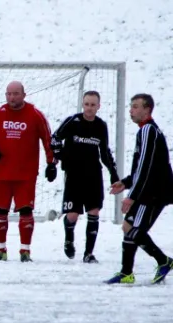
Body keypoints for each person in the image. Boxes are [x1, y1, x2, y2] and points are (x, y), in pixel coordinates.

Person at [0, 81, 56, 262]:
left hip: (26, 174)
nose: (12, 97)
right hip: (2, 173)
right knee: (0, 212)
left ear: (24, 94)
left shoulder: (35, 115)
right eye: (9, 94)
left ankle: (25, 251)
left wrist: (51, 163)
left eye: (16, 93)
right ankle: (0, 251)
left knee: (26, 211)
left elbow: (48, 139)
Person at [106, 93, 173, 284]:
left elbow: (145, 166)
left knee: (133, 228)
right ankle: (126, 273)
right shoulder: (148, 131)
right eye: (131, 106)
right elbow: (145, 166)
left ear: (147, 110)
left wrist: (132, 196)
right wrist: (126, 182)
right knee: (129, 227)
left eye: (136, 106)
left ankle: (164, 261)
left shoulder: (148, 131)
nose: (131, 110)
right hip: (150, 190)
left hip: (152, 193)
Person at [50, 91, 119, 263]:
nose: (89, 108)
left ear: (98, 106)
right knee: (73, 214)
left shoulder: (101, 126)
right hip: (74, 174)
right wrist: (55, 161)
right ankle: (69, 239)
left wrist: (113, 173)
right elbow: (55, 139)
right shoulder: (73, 121)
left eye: (93, 105)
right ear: (83, 104)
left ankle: (88, 253)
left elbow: (104, 151)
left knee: (94, 211)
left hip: (93, 175)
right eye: (87, 104)